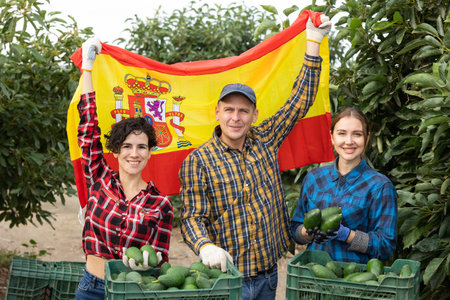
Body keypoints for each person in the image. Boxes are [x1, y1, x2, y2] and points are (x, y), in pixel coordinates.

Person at [179, 13, 331, 300]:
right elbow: (191, 217)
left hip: (267, 275)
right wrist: (204, 246)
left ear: (254, 115)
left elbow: (299, 101)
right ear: (217, 113)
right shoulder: (198, 161)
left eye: (243, 111)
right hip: (225, 280)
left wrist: (313, 42)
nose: (236, 118)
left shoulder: (265, 138)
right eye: (229, 110)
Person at [75, 38, 173, 299]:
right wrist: (87, 68)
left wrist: (150, 262)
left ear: (150, 152)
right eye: (127, 146)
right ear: (116, 151)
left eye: (142, 147)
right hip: (91, 288)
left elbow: (161, 261)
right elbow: (87, 130)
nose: (134, 153)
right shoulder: (100, 179)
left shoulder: (160, 204)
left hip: (131, 291)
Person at [290, 107, 398, 263]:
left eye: (357, 134)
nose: (349, 141)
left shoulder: (380, 186)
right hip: (313, 276)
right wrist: (307, 232)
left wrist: (347, 235)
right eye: (342, 133)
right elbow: (296, 230)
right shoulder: (313, 178)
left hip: (354, 279)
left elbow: (386, 246)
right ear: (332, 137)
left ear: (367, 139)